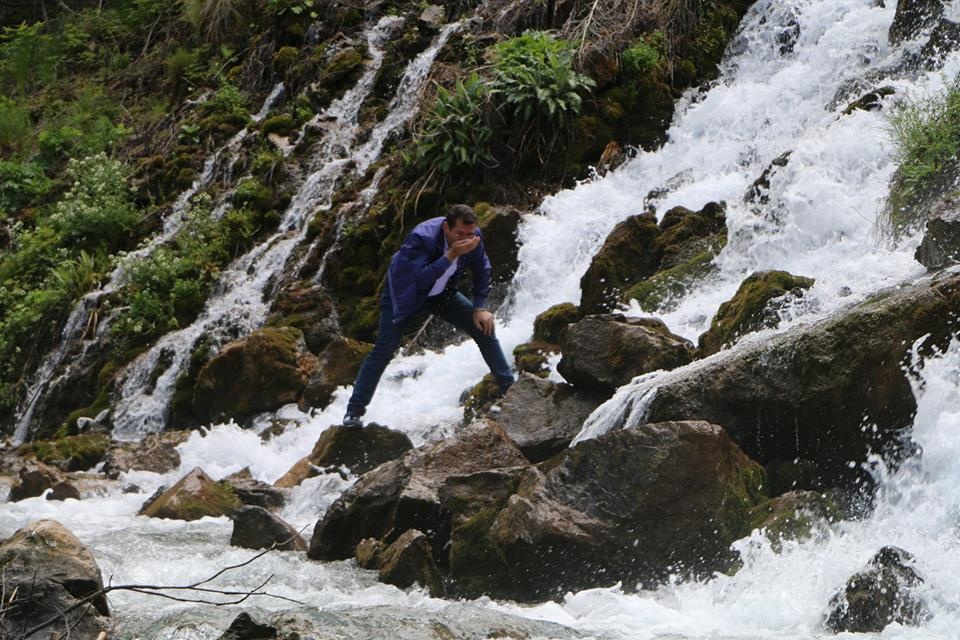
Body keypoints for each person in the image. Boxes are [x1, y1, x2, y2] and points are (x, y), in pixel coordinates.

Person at [343, 204, 514, 426]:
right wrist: (451, 255)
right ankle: (354, 412)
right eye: (459, 234)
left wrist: (480, 306)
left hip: (442, 293)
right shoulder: (421, 237)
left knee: (484, 328)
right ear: (446, 228)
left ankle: (511, 391)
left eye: (469, 234)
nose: (465, 239)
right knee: (384, 349)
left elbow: (482, 268)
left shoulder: (474, 237)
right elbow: (420, 280)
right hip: (405, 294)